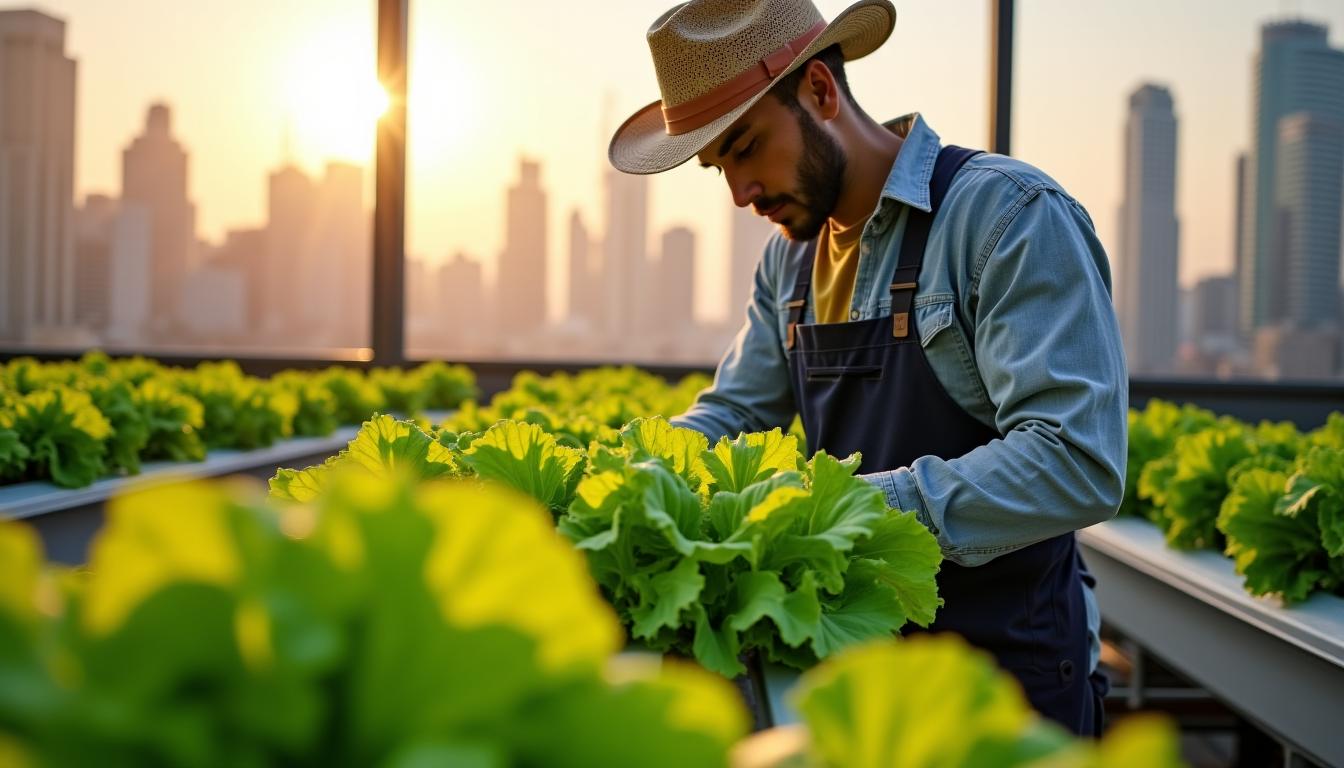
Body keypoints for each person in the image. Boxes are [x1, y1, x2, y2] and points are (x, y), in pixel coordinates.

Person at [608, 0, 1127, 736]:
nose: (739, 192)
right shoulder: (788, 260)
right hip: (854, 678)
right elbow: (735, 413)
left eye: (747, 146)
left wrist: (844, 511)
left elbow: (1077, 459)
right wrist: (630, 479)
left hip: (1005, 679)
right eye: (719, 165)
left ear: (820, 90)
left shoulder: (1006, 217)